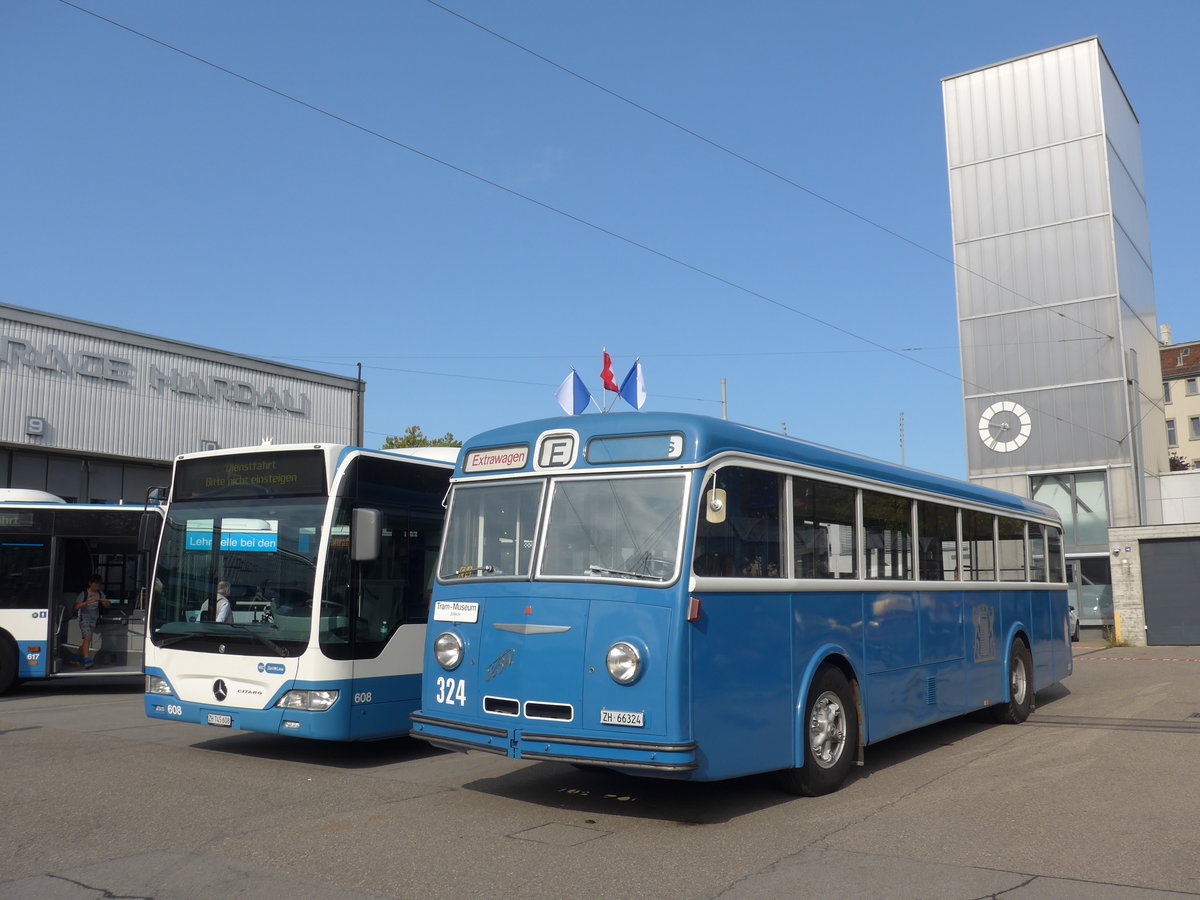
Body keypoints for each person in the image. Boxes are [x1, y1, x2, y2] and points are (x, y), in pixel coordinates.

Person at [73, 575, 109, 667]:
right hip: (84, 618)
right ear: (90, 584)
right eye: (95, 585)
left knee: (86, 640)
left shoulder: (100, 593)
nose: (97, 587)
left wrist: (104, 602)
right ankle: (86, 659)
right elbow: (76, 607)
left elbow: (107, 605)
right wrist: (89, 602)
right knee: (88, 638)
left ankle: (75, 658)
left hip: (94, 619)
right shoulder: (84, 594)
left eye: (98, 585)